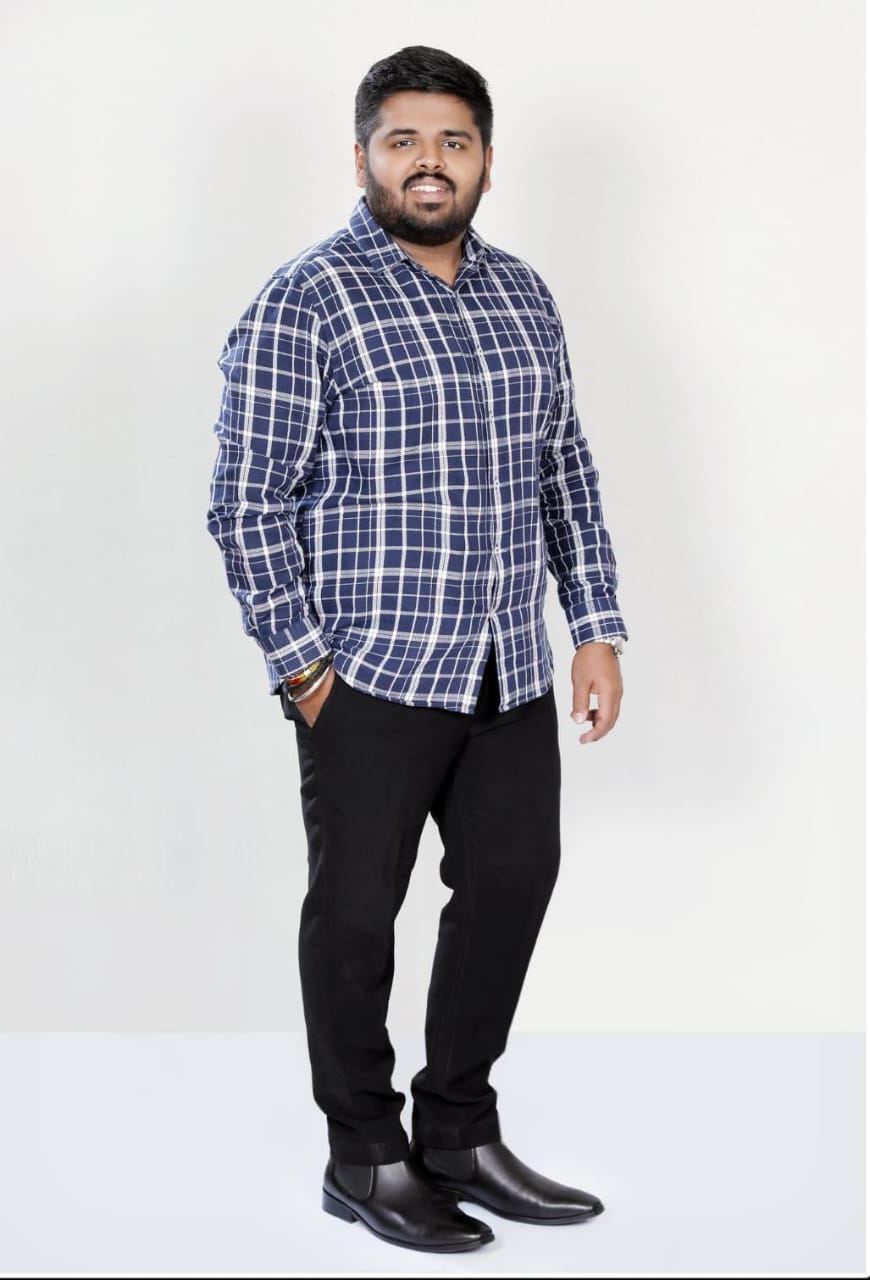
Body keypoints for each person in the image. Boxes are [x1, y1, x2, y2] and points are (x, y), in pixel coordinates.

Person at [207, 44, 628, 1255]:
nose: (428, 162)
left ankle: (457, 1132)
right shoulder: (308, 298)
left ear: (487, 160)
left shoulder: (524, 295)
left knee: (511, 886)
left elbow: (564, 466)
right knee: (355, 915)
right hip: (371, 673)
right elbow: (246, 502)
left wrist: (594, 624)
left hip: (508, 666)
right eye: (403, 141)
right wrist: (304, 670)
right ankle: (365, 1154)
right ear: (362, 159)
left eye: (453, 140)